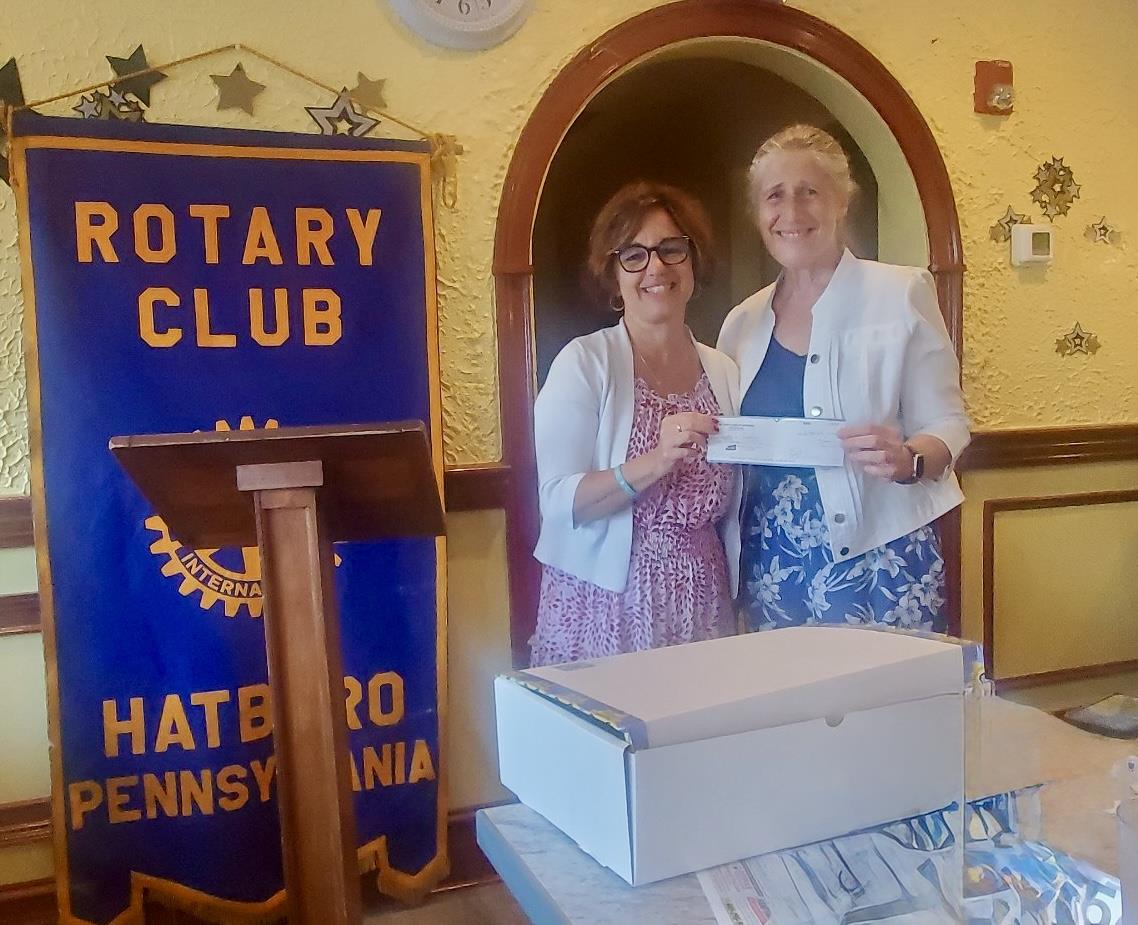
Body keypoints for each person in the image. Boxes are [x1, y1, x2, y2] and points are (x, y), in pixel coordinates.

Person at [717, 125, 970, 633]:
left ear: (841, 201)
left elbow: (949, 423)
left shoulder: (900, 293)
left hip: (882, 553)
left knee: (890, 685)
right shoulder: (740, 323)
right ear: (758, 213)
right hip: (774, 562)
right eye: (774, 195)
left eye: (809, 191)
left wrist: (909, 458)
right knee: (788, 685)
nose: (791, 211)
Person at [530, 181, 741, 666]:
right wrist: (656, 462)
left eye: (672, 249)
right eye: (634, 255)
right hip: (604, 605)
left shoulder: (724, 370)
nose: (656, 267)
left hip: (704, 601)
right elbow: (558, 501)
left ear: (693, 261)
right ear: (614, 275)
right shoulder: (584, 362)